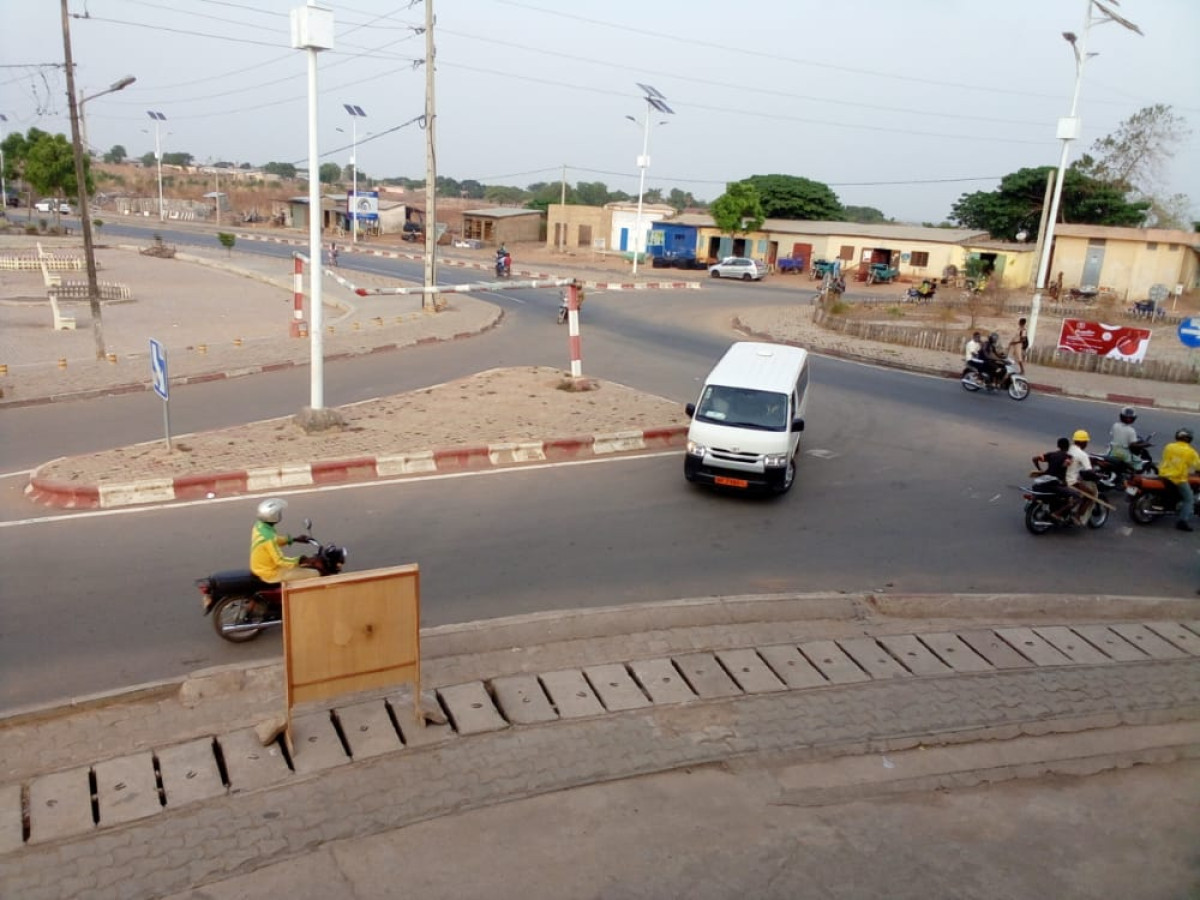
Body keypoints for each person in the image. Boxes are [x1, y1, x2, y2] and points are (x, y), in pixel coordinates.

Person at [250, 498, 319, 583]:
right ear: (273, 516)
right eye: (278, 513)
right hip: (271, 573)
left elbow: (274, 541)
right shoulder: (269, 537)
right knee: (315, 574)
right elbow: (280, 560)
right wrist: (301, 559)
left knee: (302, 566)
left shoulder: (259, 526)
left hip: (260, 567)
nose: (280, 515)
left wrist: (293, 539)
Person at [1158, 428, 1200, 532]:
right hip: (1178, 479)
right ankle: (1182, 521)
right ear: (1189, 439)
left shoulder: (1169, 446)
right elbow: (1197, 465)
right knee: (1189, 499)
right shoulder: (1190, 452)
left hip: (1163, 475)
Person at [1065, 429, 1099, 525]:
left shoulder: (1069, 449)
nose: (1087, 444)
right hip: (1071, 482)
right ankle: (1077, 516)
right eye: (1086, 442)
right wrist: (1098, 476)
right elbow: (1089, 471)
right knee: (1091, 495)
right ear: (1083, 442)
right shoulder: (1082, 454)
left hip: (1062, 479)